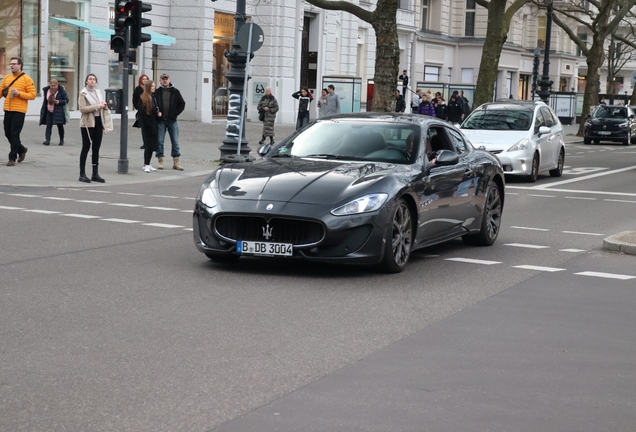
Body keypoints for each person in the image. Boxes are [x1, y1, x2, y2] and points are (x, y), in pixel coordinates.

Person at [0, 57, 36, 166]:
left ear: (20, 65)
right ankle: (21, 149)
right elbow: (1, 91)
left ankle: (12, 158)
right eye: (11, 64)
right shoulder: (7, 78)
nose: (12, 66)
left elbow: (33, 95)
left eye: (14, 64)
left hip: (19, 110)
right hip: (8, 109)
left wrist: (19, 93)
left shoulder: (27, 79)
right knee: (7, 133)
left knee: (14, 134)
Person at [78, 73, 108, 183]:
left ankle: (95, 173)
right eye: (90, 79)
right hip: (87, 123)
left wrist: (104, 105)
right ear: (86, 81)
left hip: (98, 122)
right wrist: (97, 106)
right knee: (86, 147)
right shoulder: (83, 93)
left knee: (96, 148)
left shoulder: (98, 92)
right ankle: (82, 173)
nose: (92, 81)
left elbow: (101, 106)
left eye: (94, 79)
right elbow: (82, 109)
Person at [155, 73, 186, 170]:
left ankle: (176, 162)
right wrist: (156, 112)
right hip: (161, 121)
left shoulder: (175, 92)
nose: (165, 81)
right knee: (160, 141)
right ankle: (160, 161)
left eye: (166, 79)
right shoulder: (156, 92)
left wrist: (175, 113)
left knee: (175, 141)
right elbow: (153, 104)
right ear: (160, 80)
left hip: (172, 120)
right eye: (163, 79)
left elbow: (182, 103)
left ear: (169, 80)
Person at [137, 80, 162, 173]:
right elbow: (142, 114)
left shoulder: (153, 97)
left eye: (154, 86)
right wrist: (148, 125)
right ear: (148, 87)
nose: (153, 88)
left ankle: (148, 163)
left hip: (153, 123)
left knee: (152, 145)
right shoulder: (143, 98)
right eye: (152, 86)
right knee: (148, 145)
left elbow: (154, 110)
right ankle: (146, 164)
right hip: (147, 125)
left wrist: (158, 114)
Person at [39, 78, 68, 146]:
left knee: (60, 126)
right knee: (49, 125)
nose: (53, 87)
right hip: (49, 110)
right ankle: (47, 140)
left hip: (58, 111)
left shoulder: (61, 91)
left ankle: (61, 140)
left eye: (55, 85)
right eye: (52, 85)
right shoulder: (47, 90)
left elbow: (66, 100)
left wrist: (59, 102)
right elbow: (45, 100)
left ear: (57, 85)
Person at [132, 74, 149, 148]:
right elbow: (134, 99)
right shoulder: (138, 89)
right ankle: (145, 143)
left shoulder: (149, 88)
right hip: (141, 111)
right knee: (143, 128)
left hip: (149, 110)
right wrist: (137, 107)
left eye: (146, 79)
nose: (145, 80)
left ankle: (149, 143)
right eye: (143, 79)